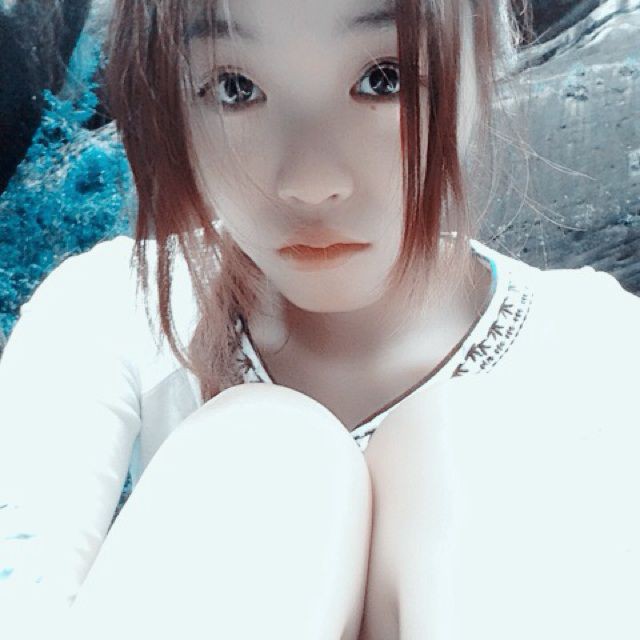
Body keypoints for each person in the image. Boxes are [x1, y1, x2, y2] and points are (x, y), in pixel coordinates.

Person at [1, 0, 639, 638]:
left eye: (385, 79)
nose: (309, 182)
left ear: (487, 68)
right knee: (268, 453)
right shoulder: (102, 312)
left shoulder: (591, 348)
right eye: (234, 88)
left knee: (478, 441)